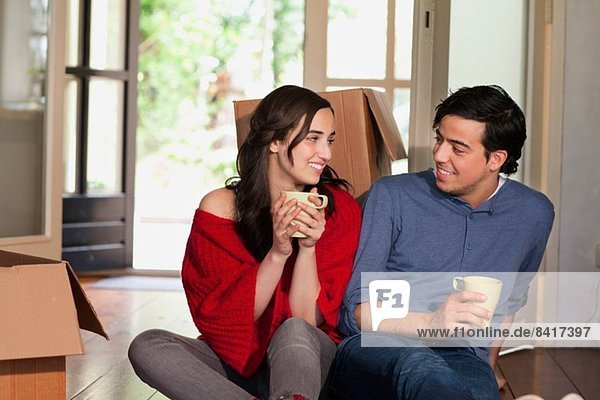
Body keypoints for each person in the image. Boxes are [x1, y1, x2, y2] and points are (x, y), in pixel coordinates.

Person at [128, 85, 361, 400]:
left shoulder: (338, 209)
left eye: (329, 140)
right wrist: (278, 254)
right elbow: (223, 320)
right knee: (148, 345)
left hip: (305, 362)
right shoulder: (219, 208)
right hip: (238, 365)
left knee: (292, 330)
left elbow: (305, 320)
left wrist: (306, 249)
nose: (327, 153)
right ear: (275, 140)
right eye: (313, 138)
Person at [329, 85, 555, 400]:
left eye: (457, 148)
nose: (439, 154)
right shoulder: (392, 196)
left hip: (461, 357)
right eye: (439, 138)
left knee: (476, 390)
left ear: (496, 160)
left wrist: (486, 368)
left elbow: (510, 302)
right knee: (421, 365)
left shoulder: (533, 213)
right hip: (379, 348)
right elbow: (355, 314)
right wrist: (432, 321)